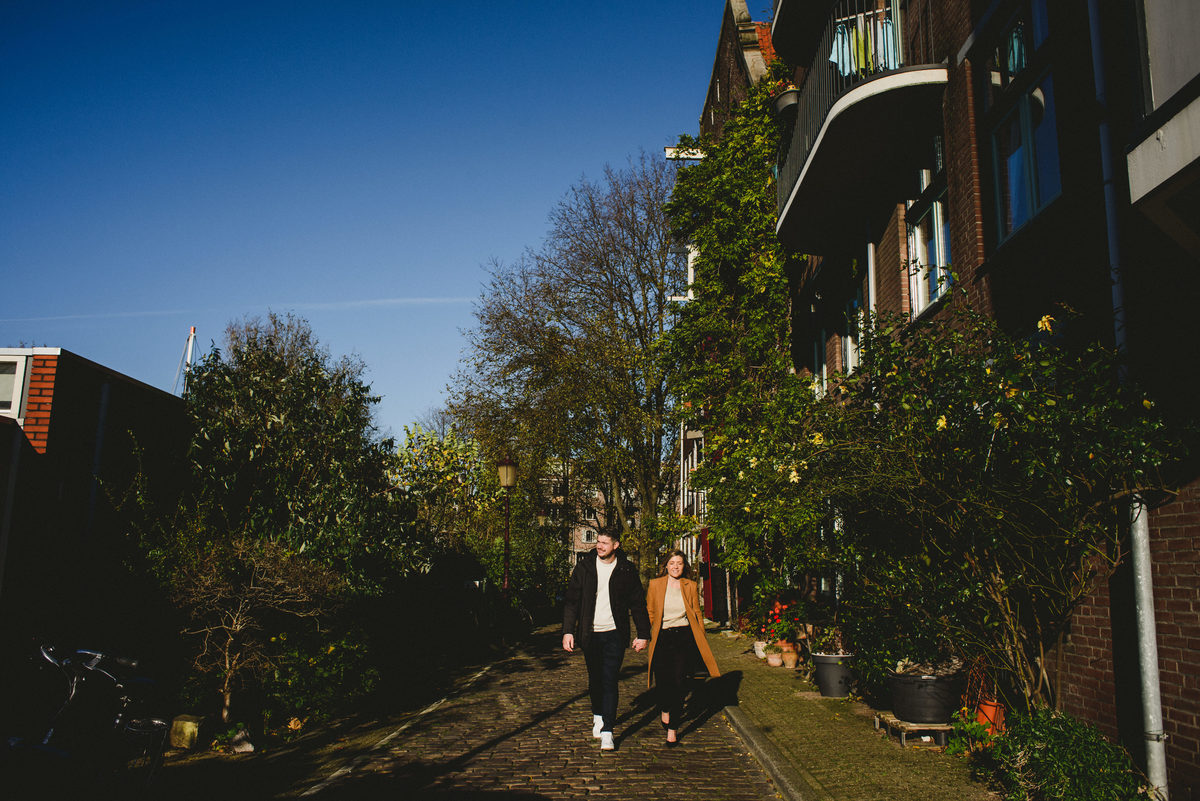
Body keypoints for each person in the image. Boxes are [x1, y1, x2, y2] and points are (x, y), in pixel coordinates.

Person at [562, 531, 650, 752]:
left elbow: (638, 603)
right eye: (598, 542)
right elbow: (572, 601)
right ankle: (598, 715)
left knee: (610, 679)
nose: (599, 546)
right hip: (590, 634)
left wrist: (643, 634)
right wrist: (568, 631)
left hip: (614, 634)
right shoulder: (584, 567)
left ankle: (608, 730)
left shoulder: (626, 570)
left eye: (604, 543)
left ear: (616, 545)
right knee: (596, 679)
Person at [645, 549, 720, 746]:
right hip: (662, 637)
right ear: (666, 566)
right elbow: (650, 612)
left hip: (683, 637)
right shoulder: (655, 585)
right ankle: (665, 708)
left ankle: (672, 729)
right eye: (672, 563)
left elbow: (696, 612)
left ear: (683, 565)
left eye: (679, 563)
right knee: (663, 683)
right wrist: (647, 636)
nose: (676, 567)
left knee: (679, 683)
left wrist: (701, 637)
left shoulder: (690, 585)